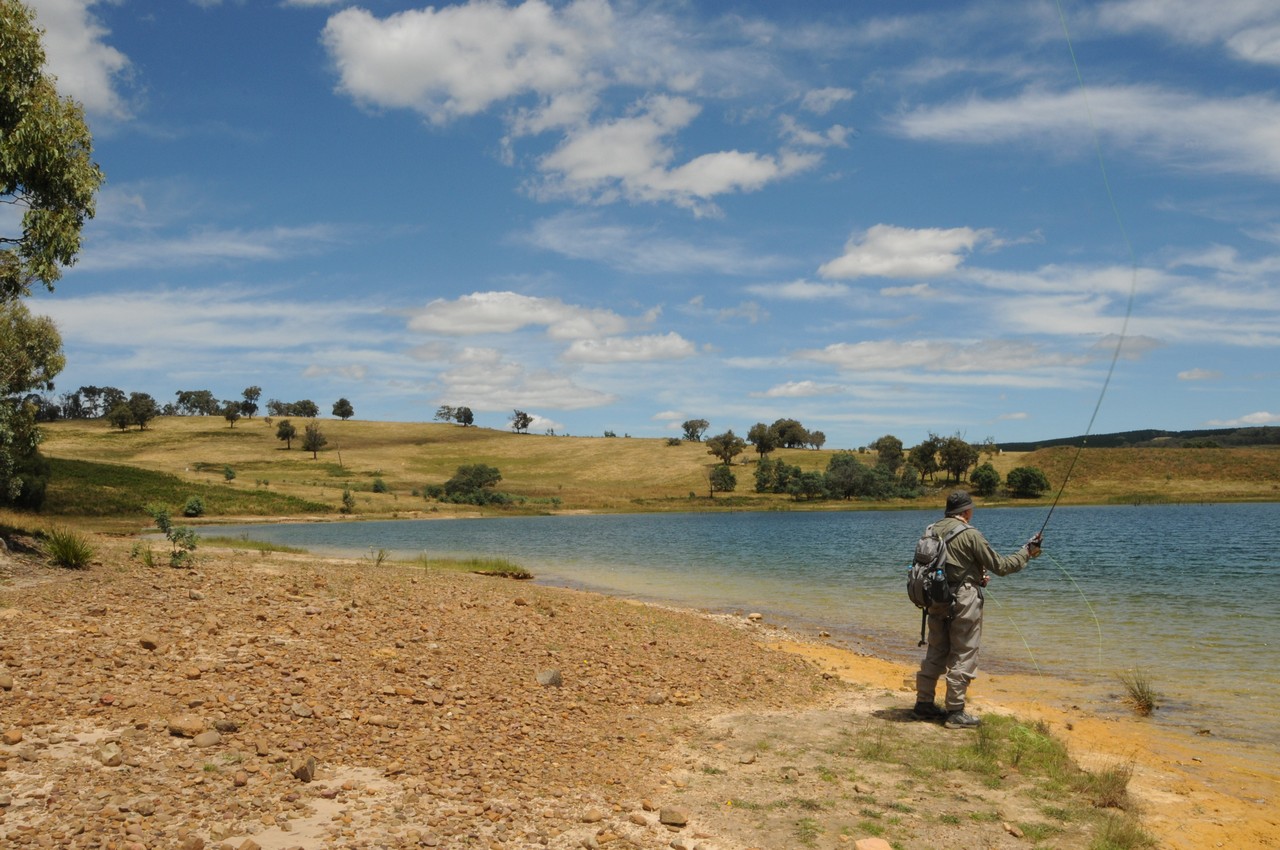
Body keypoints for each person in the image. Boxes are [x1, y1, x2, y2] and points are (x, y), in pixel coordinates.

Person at [913, 490, 1042, 729]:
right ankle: (955, 711)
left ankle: (923, 704)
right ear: (966, 512)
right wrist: (1027, 552)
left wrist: (974, 575)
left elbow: (945, 565)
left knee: (937, 650)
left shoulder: (931, 530)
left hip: (936, 599)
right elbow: (1001, 566)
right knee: (964, 652)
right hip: (963, 601)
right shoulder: (971, 534)